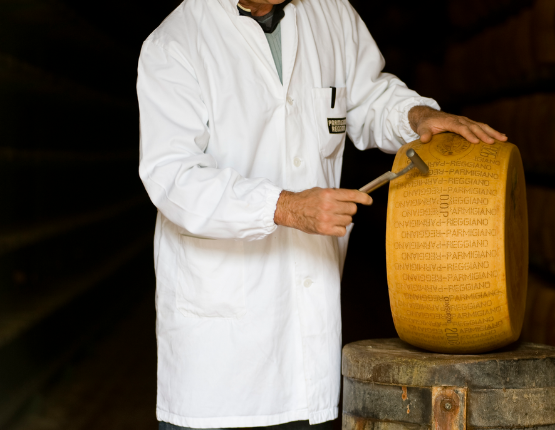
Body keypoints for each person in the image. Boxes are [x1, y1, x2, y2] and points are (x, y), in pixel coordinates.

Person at [136, 0, 506, 428]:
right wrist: (286, 207)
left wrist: (416, 114)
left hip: (310, 346)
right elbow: (173, 178)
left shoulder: (331, 12)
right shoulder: (175, 43)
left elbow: (367, 97)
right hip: (221, 361)